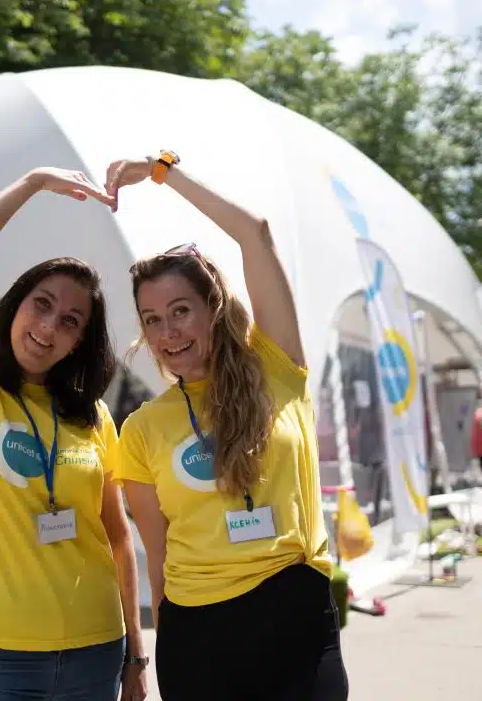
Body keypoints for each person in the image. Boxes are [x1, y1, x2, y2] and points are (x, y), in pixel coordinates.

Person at [108, 152, 349, 701]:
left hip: (296, 617)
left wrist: (165, 171)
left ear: (213, 306)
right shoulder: (142, 428)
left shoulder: (277, 367)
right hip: (199, 637)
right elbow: (160, 555)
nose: (168, 332)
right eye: (152, 319)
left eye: (180, 310)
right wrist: (154, 654)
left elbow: (254, 234)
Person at [0, 166, 148, 700]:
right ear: (15, 304)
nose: (48, 327)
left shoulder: (91, 416)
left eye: (70, 321)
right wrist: (30, 185)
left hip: (94, 649)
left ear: (80, 343)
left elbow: (116, 537)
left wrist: (135, 653)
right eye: (41, 304)